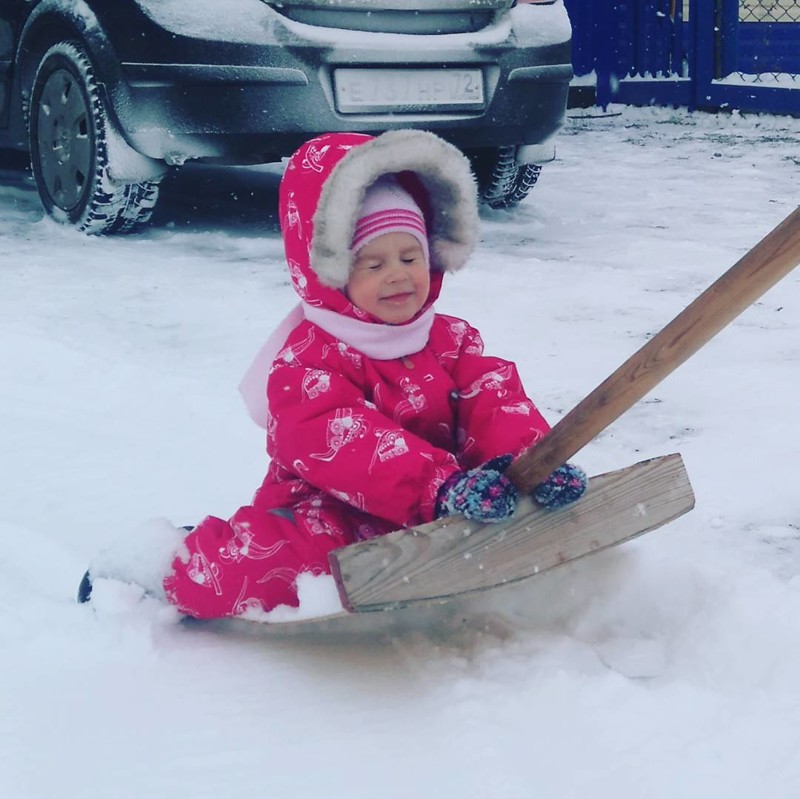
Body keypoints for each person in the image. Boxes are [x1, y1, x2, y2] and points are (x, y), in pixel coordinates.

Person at [81, 130, 586, 619]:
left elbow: (493, 400)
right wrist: (437, 486)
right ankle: (165, 561)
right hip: (330, 511)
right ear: (332, 273)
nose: (397, 275)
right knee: (275, 571)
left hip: (447, 502)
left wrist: (531, 462)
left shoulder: (451, 339)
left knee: (510, 504)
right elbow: (339, 437)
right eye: (371, 264)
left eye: (410, 257)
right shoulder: (309, 359)